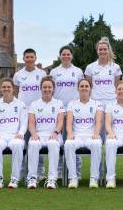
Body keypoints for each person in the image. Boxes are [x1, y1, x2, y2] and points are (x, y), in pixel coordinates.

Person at [13, 48, 47, 179]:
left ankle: (39, 171)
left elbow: (46, 90)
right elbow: (15, 92)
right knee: (22, 142)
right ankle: (22, 170)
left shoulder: (42, 73)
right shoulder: (18, 75)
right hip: (23, 113)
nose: (29, 59)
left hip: (39, 112)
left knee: (37, 140)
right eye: (27, 57)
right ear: (23, 59)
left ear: (35, 58)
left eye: (31, 57)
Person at [51, 45, 84, 178]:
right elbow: (51, 89)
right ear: (60, 56)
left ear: (72, 56)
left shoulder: (77, 71)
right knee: (59, 140)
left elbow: (82, 88)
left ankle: (77, 170)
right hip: (58, 110)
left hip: (74, 110)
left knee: (73, 139)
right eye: (63, 54)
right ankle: (59, 170)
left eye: (68, 54)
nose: (66, 56)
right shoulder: (54, 72)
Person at [0, 79, 28, 189]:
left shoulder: (21, 104)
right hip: (1, 136)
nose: (6, 89)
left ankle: (14, 178)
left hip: (15, 136)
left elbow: (24, 122)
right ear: (1, 89)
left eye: (8, 87)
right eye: (4, 87)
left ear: (13, 89)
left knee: (17, 145)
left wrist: (21, 133)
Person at [27, 76, 64, 189]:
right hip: (39, 134)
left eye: (49, 87)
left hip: (54, 134)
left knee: (53, 144)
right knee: (33, 144)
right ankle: (32, 178)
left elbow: (60, 121)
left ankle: (52, 178)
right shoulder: (34, 104)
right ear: (41, 88)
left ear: (53, 89)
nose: (47, 89)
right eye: (44, 87)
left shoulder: (59, 103)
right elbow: (31, 124)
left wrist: (55, 132)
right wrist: (33, 134)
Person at [65, 78, 103, 189]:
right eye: (82, 86)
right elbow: (69, 122)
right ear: (78, 88)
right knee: (68, 144)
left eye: (86, 86)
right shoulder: (72, 104)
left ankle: (94, 178)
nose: (84, 88)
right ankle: (73, 178)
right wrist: (70, 134)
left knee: (96, 144)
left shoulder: (97, 104)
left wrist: (96, 133)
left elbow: (99, 121)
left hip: (91, 135)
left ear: (90, 88)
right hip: (77, 136)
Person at [84, 37, 121, 107]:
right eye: (100, 49)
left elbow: (116, 85)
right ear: (97, 51)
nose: (102, 51)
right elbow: (90, 86)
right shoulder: (90, 67)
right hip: (95, 101)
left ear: (108, 50)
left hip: (111, 101)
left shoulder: (116, 67)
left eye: (105, 49)